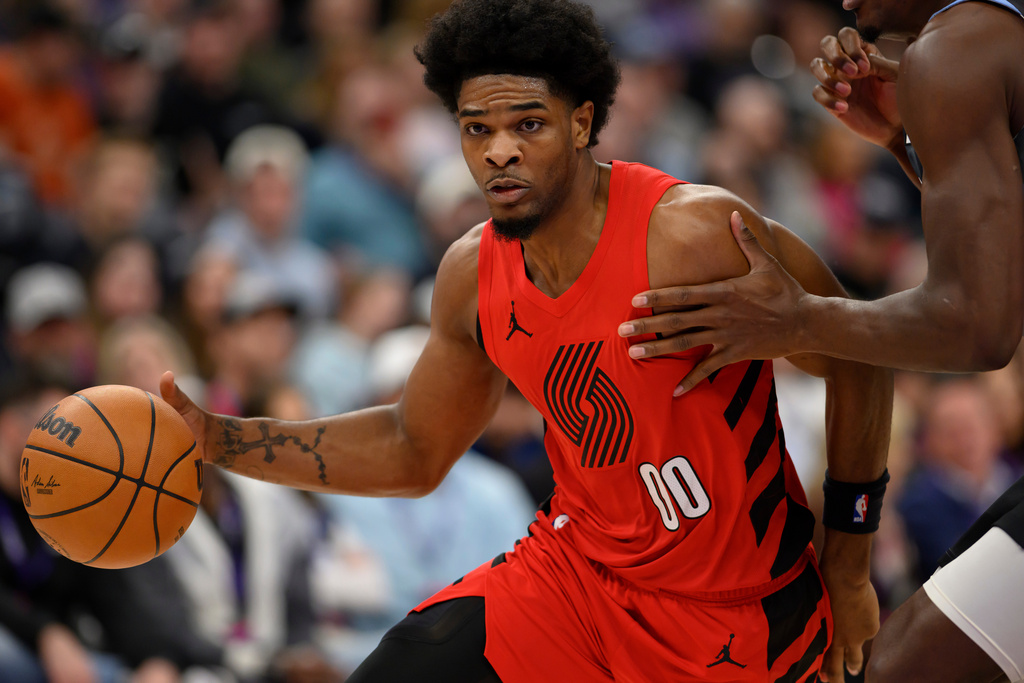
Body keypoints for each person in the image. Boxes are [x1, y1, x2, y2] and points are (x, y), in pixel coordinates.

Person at [160, 1, 894, 681]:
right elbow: (412, 449)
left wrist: (850, 563)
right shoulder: (471, 274)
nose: (499, 151)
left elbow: (862, 355)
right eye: (478, 129)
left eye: (528, 125)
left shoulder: (694, 233)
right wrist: (220, 439)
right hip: (578, 583)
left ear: (580, 123)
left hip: (744, 608)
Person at [617, 1, 1024, 681]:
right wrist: (909, 140)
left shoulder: (956, 48)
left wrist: (799, 319)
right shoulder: (987, 39)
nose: (843, 2)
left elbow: (978, 328)